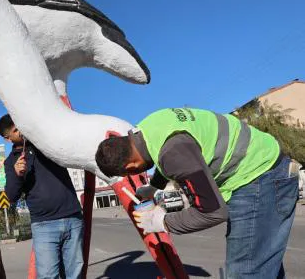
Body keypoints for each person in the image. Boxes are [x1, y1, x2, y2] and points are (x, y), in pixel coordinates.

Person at [95, 107, 300, 279]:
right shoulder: (148, 128)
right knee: (262, 263)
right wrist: (155, 186)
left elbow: (213, 212)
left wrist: (163, 222)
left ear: (131, 166)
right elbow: (166, 155)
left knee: (246, 272)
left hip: (260, 177)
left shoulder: (173, 153)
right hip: (261, 166)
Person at [0, 114, 84, 279]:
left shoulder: (45, 144)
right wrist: (17, 174)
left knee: (75, 272)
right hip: (44, 225)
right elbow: (11, 196)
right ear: (8, 138)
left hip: (73, 217)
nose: (21, 131)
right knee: (47, 275)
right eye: (16, 130)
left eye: (20, 125)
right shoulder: (11, 162)